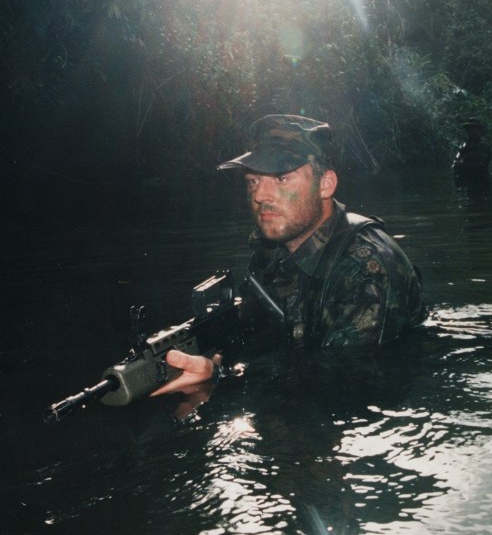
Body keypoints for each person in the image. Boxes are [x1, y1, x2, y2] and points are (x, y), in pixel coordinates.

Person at [151, 114, 425, 398]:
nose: (261, 195)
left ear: (326, 185)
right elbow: (262, 332)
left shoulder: (366, 271)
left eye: (281, 178)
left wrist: (218, 377)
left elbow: (345, 386)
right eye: (253, 180)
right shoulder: (272, 248)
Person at [452, 117, 492, 182]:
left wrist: (462, 164)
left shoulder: (484, 145)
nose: (470, 131)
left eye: (473, 128)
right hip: (466, 179)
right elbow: (456, 161)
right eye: (469, 128)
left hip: (481, 180)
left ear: (479, 130)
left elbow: (481, 166)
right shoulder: (465, 145)